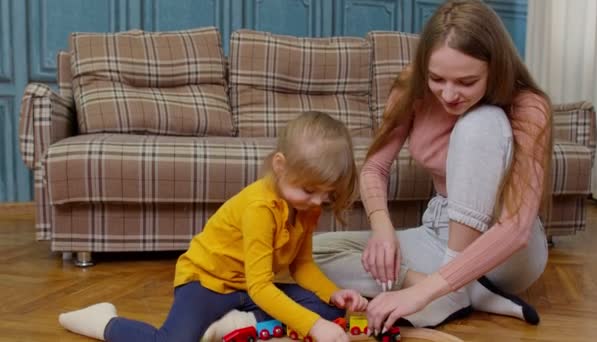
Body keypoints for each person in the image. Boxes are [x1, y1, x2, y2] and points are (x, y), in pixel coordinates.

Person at [312, 0, 552, 335]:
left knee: (478, 121)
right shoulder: (411, 87)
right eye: (437, 78)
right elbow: (374, 168)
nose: (449, 95)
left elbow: (515, 228)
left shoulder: (529, 106)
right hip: (438, 231)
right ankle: (464, 291)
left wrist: (421, 295)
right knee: (309, 254)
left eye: (467, 82)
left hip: (505, 248)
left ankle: (447, 289)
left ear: (495, 69)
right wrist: (383, 231)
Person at [58, 111, 368, 342]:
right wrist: (312, 327)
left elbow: (302, 266)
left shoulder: (306, 207)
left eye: (327, 194)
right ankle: (105, 322)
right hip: (206, 283)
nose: (318, 202)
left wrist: (334, 294)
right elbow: (262, 286)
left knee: (329, 310)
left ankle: (232, 324)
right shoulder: (260, 207)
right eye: (310, 191)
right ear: (280, 167)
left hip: (246, 288)